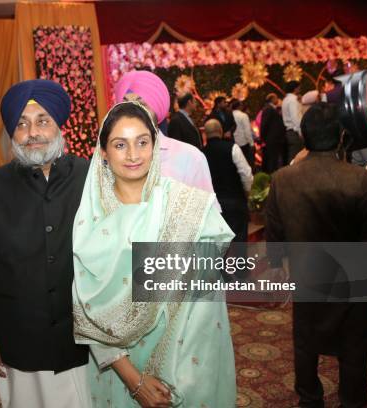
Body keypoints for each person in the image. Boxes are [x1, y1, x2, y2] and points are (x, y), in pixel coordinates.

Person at [73, 101, 236, 408]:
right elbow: (85, 308)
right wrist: (135, 380)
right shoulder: (90, 223)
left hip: (187, 357)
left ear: (155, 145)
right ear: (104, 154)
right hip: (117, 370)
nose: (133, 155)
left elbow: (206, 300)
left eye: (142, 142)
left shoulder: (185, 206)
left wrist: (180, 375)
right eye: (120, 145)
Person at [0, 79, 91, 408]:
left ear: (59, 126)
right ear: (11, 134)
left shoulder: (90, 176)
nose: (33, 132)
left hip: (84, 338)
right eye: (21, 124)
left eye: (43, 121)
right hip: (18, 339)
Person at [266, 102, 367, 407]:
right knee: (354, 348)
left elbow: (275, 235)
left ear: (304, 136)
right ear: (341, 136)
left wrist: (279, 266)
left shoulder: (282, 179)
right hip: (352, 280)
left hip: (307, 276)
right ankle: (352, 401)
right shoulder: (361, 180)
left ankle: (309, 399)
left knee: (305, 344)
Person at [113, 71, 217, 199]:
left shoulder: (190, 157)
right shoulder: (111, 160)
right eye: (126, 105)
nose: (133, 112)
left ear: (157, 109)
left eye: (142, 104)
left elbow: (208, 215)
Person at [202, 119, 253, 247]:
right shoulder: (232, 148)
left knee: (219, 246)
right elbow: (246, 174)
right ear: (221, 131)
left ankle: (223, 267)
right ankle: (240, 266)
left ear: (205, 134)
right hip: (235, 199)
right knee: (240, 241)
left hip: (213, 206)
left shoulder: (201, 153)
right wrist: (248, 192)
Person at [260, 93, 287, 173]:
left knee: (274, 158)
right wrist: (263, 138)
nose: (277, 100)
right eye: (276, 98)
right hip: (272, 138)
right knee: (272, 159)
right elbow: (264, 124)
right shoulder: (268, 109)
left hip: (274, 138)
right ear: (272, 99)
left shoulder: (272, 109)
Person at [282, 81, 304, 162]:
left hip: (289, 131)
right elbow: (296, 118)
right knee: (296, 156)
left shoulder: (285, 99)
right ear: (295, 88)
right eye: (299, 87)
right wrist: (301, 132)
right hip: (294, 132)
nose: (300, 89)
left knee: (293, 155)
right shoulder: (293, 100)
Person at [231, 99, 255, 167]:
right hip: (243, 143)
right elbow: (247, 130)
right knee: (246, 163)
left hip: (233, 142)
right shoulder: (243, 115)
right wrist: (251, 143)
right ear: (239, 106)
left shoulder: (230, 115)